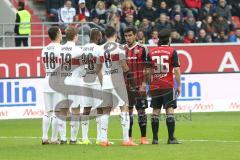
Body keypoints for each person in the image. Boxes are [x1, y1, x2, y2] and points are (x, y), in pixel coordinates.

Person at [97, 26, 137, 146]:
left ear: (105, 36)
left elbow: (98, 69)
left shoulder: (100, 49)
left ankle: (104, 140)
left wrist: (102, 82)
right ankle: (125, 139)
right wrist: (128, 73)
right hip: (118, 80)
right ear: (115, 35)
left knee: (106, 110)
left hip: (106, 81)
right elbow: (123, 65)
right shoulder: (119, 47)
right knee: (124, 107)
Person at [147, 29, 181, 144]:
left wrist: (149, 85)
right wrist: (179, 85)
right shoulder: (172, 51)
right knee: (169, 110)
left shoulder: (151, 52)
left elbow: (148, 71)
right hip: (167, 85)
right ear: (169, 39)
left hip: (155, 86)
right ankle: (171, 138)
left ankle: (155, 139)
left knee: (155, 111)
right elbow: (176, 70)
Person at [57, 26, 85, 144]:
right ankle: (73, 139)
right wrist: (81, 74)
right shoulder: (79, 50)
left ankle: (63, 138)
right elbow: (84, 68)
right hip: (75, 81)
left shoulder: (60, 49)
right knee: (76, 110)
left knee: (62, 110)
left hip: (62, 81)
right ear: (75, 36)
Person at [124, 27, 149, 145]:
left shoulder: (142, 49)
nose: (127, 38)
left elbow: (148, 67)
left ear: (135, 36)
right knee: (128, 112)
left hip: (139, 85)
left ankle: (143, 138)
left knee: (141, 111)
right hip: (126, 86)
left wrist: (144, 83)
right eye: (126, 36)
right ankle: (129, 138)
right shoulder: (122, 49)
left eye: (129, 35)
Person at [79, 28, 104, 145]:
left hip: (85, 81)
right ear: (98, 36)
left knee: (86, 109)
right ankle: (99, 138)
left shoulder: (83, 48)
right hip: (96, 82)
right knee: (99, 110)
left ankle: (85, 138)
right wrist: (103, 83)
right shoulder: (99, 49)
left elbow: (80, 66)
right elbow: (99, 68)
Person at [41, 26, 65, 144]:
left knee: (47, 111)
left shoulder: (44, 49)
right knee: (57, 111)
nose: (62, 34)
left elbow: (44, 66)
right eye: (60, 33)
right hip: (57, 81)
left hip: (47, 79)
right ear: (57, 35)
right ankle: (54, 138)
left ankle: (45, 137)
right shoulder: (61, 49)